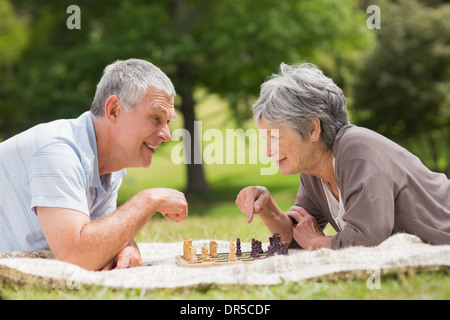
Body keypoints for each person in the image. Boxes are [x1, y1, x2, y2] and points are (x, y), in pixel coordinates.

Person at [236, 63, 450, 250]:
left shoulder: (356, 149)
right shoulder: (314, 171)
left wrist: (319, 242)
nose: (267, 151)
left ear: (312, 128)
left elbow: (369, 242)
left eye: (275, 137)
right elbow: (298, 238)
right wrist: (266, 208)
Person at [0, 59, 188, 270]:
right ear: (114, 110)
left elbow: (99, 239)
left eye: (168, 122)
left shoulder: (108, 166)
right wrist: (148, 200)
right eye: (155, 117)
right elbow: (77, 256)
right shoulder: (57, 151)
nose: (166, 134)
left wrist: (126, 247)